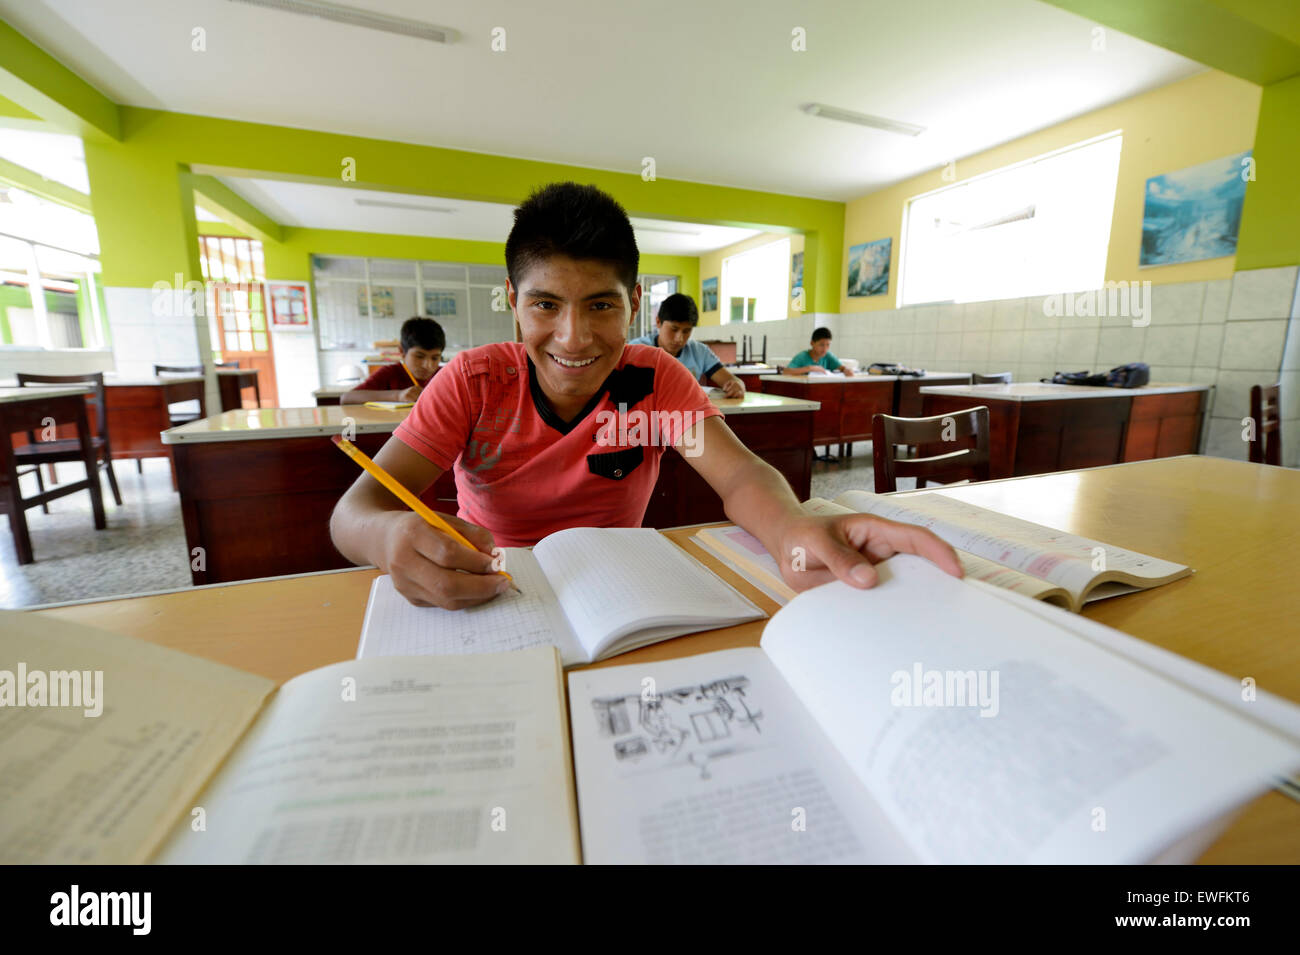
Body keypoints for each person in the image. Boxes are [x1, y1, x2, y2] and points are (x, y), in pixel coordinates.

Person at [330, 182, 960, 609]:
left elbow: (740, 476)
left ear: (634, 304)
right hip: (495, 591)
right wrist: (386, 540)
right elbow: (351, 514)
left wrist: (793, 527)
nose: (573, 338)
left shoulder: (655, 381)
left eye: (600, 305)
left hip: (624, 595)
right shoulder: (471, 382)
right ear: (513, 301)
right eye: (545, 304)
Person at [630, 293, 745, 398]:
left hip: (687, 416)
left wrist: (738, 385)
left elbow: (732, 381)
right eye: (674, 329)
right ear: (658, 322)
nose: (679, 338)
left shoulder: (699, 351)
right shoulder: (636, 349)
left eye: (686, 331)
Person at [341, 317, 444, 405]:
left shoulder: (444, 375)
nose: (428, 365)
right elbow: (346, 398)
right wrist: (397, 396)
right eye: (419, 356)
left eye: (435, 358)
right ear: (402, 352)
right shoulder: (390, 373)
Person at [782, 327, 854, 376]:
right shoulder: (802, 356)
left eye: (828, 345)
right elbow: (786, 371)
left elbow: (842, 368)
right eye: (821, 345)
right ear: (812, 343)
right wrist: (810, 368)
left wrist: (846, 370)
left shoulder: (828, 356)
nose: (825, 349)